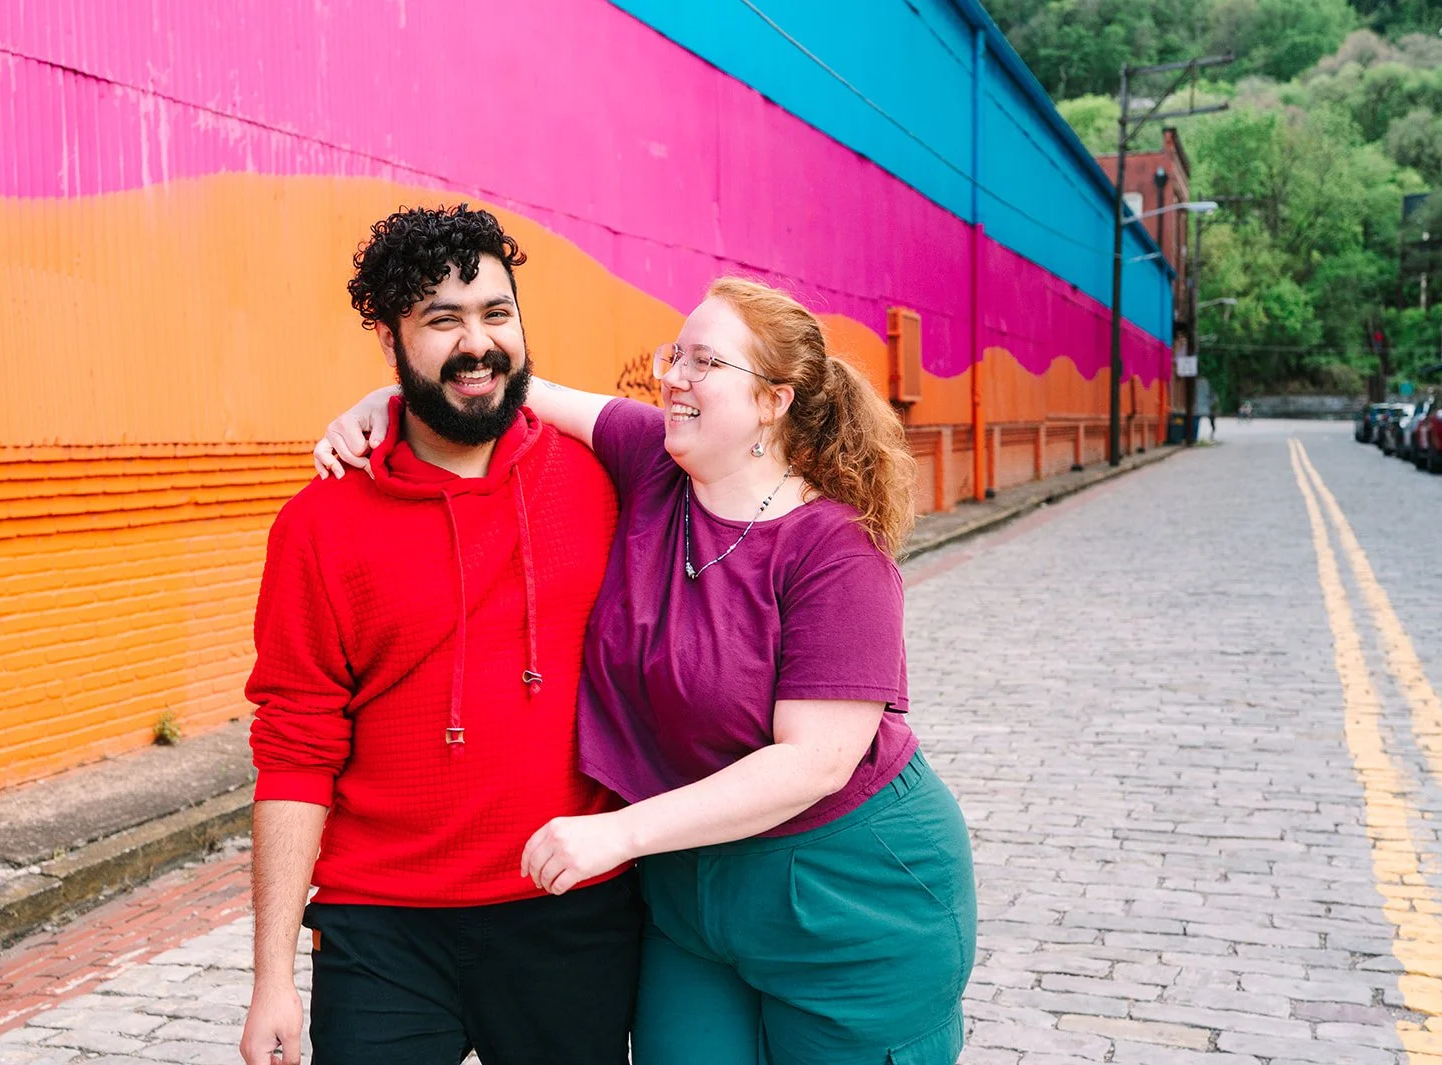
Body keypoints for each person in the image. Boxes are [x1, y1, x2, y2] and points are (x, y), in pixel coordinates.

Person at [319, 277, 978, 1064]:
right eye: (675, 354)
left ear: (773, 400)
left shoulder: (837, 551)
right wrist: (387, 401)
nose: (672, 376)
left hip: (847, 886)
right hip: (689, 886)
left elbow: (815, 761)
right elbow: (509, 389)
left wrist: (618, 832)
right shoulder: (651, 461)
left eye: (704, 362)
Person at [241, 204, 640, 1065]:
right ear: (390, 340)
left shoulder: (603, 478)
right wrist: (272, 973)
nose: (478, 343)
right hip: (382, 930)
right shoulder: (318, 525)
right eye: (442, 321)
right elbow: (294, 744)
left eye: (496, 314)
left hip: (571, 910)